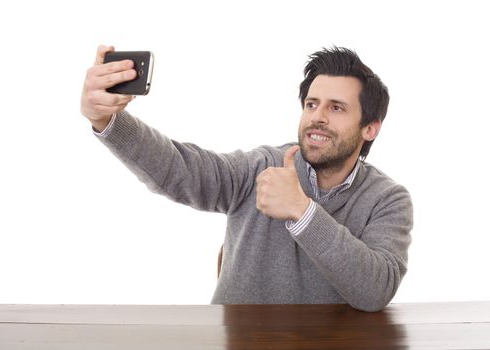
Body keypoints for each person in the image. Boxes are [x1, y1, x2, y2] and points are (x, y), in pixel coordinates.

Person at [81, 45, 413, 312]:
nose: (317, 118)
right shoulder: (261, 166)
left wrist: (302, 211)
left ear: (370, 128)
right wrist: (108, 121)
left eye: (336, 108)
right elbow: (180, 170)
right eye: (312, 104)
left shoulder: (388, 199)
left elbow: (375, 291)